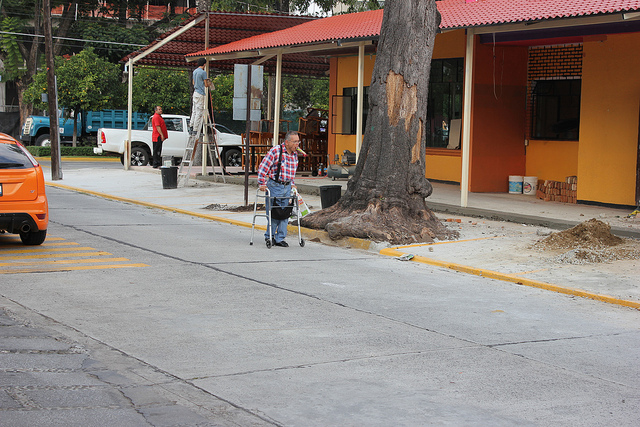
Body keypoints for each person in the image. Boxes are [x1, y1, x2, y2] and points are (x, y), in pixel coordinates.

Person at [257, 131, 301, 247]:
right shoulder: (276, 151)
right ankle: (270, 236)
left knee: (285, 212)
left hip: (287, 186)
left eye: (298, 141)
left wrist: (292, 183)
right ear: (286, 142)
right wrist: (261, 183)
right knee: (275, 212)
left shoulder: (295, 155)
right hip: (275, 185)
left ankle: (280, 238)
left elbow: (291, 172)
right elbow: (263, 167)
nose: (297, 144)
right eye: (295, 142)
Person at [190, 58, 212, 136]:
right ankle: (195, 130)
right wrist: (209, 83)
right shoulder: (203, 73)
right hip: (200, 93)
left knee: (194, 111)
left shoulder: (195, 71)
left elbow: (193, 82)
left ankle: (191, 127)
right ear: (204, 64)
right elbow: (206, 84)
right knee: (199, 113)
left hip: (195, 93)